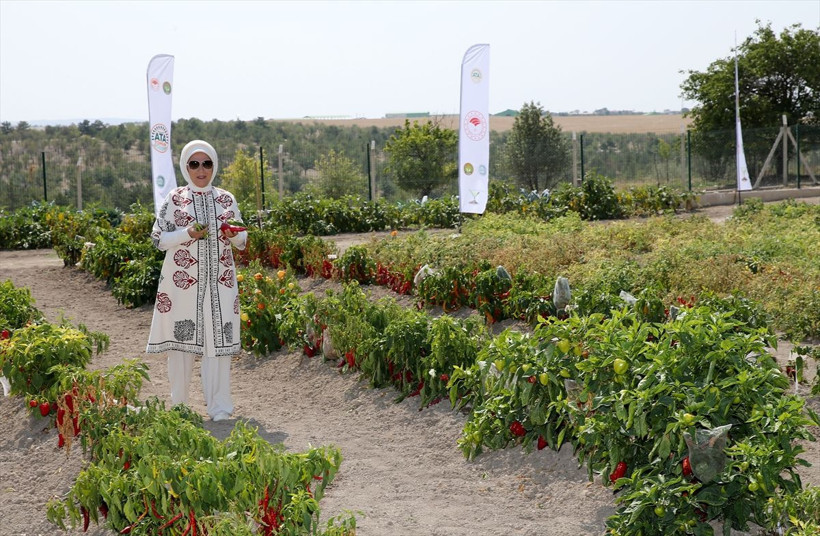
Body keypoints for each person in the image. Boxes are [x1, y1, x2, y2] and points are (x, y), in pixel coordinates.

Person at [145, 139, 247, 421]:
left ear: (214, 166)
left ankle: (220, 408)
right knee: (180, 346)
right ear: (185, 166)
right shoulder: (174, 199)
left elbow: (242, 239)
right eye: (194, 164)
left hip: (220, 285)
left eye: (207, 163)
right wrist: (186, 234)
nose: (201, 170)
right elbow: (159, 239)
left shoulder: (226, 199)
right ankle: (180, 407)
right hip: (181, 286)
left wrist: (232, 234)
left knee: (218, 346)